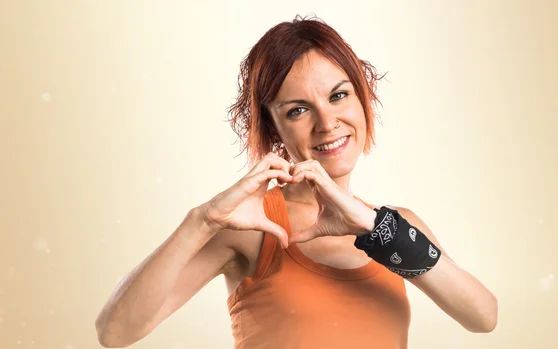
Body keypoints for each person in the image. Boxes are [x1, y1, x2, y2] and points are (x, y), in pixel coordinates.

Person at [95, 15, 497, 349]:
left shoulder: (394, 228)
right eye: (298, 110)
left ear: (362, 97)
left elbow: (482, 316)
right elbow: (114, 332)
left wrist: (378, 230)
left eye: (338, 96)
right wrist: (200, 222)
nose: (326, 123)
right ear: (273, 129)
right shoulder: (253, 226)